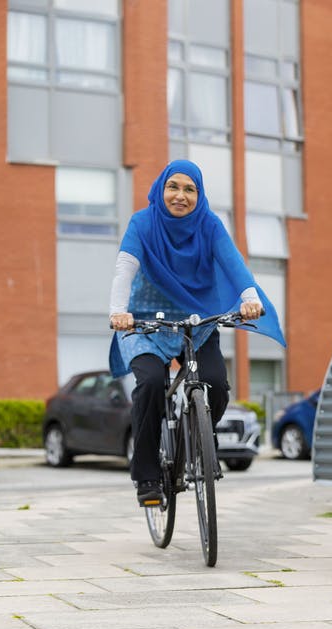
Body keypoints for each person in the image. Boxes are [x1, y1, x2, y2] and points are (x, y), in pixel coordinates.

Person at [108, 159, 285, 506]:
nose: (180, 195)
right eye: (173, 187)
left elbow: (233, 263)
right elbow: (124, 268)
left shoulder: (209, 224)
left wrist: (250, 298)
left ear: (199, 195)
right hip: (146, 323)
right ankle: (146, 475)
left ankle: (198, 440)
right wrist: (118, 312)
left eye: (190, 189)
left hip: (196, 322)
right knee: (149, 386)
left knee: (217, 385)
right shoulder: (143, 223)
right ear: (161, 189)